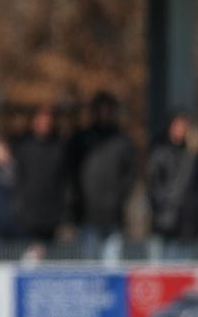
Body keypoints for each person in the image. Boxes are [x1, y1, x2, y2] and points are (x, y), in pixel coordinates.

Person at [70, 91, 136, 264]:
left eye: (108, 109)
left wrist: (118, 198)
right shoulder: (82, 139)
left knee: (112, 267)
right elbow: (72, 174)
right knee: (89, 268)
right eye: (101, 109)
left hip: (113, 215)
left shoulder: (121, 140)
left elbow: (130, 174)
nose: (104, 113)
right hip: (88, 215)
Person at [11, 105, 69, 243]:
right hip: (26, 218)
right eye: (41, 120)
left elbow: (64, 182)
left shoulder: (59, 148)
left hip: (52, 218)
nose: (44, 124)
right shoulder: (23, 147)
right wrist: (18, 207)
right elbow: (16, 178)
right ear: (34, 122)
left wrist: (63, 212)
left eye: (48, 120)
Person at [146, 111, 194, 260]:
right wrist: (165, 205)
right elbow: (153, 185)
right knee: (163, 268)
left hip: (189, 223)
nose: (180, 130)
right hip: (165, 222)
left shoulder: (191, 155)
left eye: (183, 126)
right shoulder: (159, 152)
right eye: (177, 125)